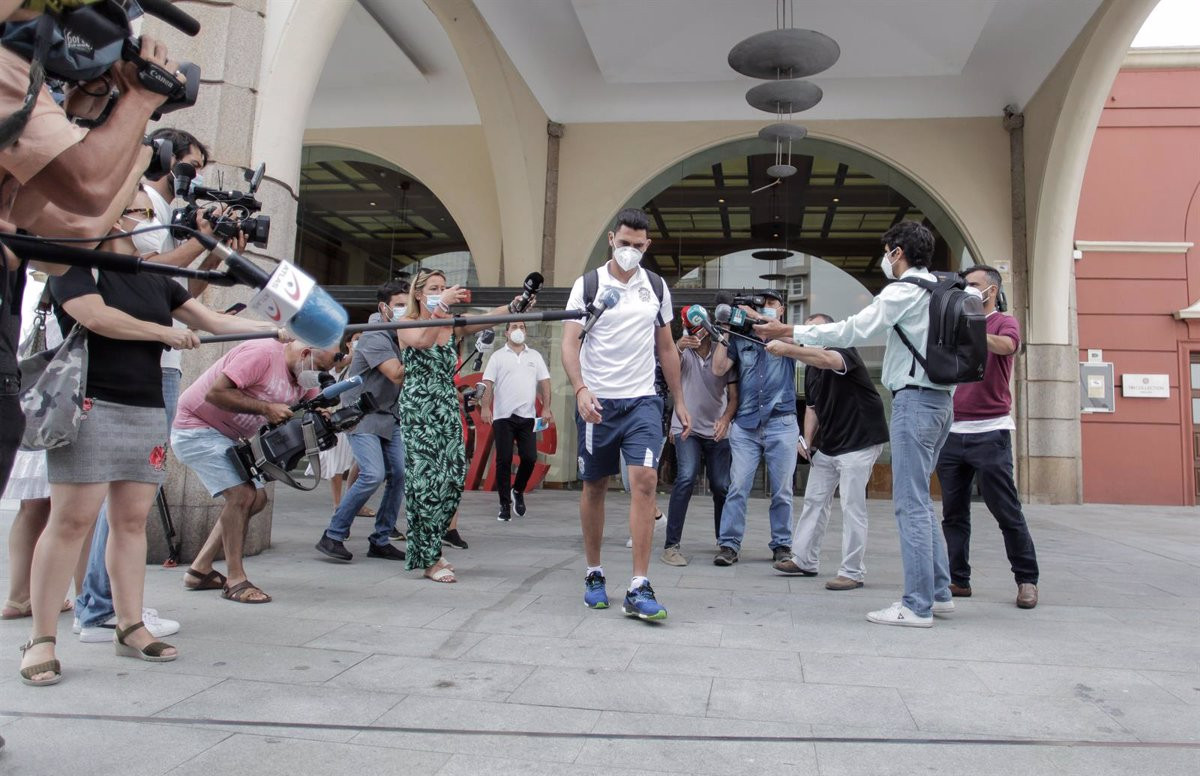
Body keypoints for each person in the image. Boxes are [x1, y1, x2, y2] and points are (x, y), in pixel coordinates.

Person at [17, 205, 282, 686]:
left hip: (144, 408)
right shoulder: (73, 266)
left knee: (131, 521)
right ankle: (41, 638)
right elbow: (95, 317)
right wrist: (164, 333)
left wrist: (278, 331)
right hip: (92, 404)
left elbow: (215, 322)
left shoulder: (156, 276)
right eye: (135, 209)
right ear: (112, 219)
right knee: (72, 520)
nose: (147, 217)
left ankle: (130, 625)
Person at [74, 128, 236, 642]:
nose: (194, 178)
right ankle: (100, 609)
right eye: (188, 165)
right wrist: (196, 242)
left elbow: (179, 293)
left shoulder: (168, 215)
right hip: (112, 377)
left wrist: (215, 255)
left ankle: (113, 610)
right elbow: (139, 273)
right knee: (97, 507)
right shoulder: (136, 204)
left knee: (128, 506)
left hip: (157, 368)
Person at [754, 220, 954, 628]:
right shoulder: (943, 289)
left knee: (911, 505)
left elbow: (853, 330)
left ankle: (917, 605)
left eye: (887, 251)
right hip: (941, 401)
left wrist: (790, 330)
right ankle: (940, 593)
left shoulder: (905, 291)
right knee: (922, 503)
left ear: (897, 252)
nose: (885, 258)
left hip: (914, 402)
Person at [562, 207, 690, 620]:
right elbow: (569, 343)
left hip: (642, 401)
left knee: (645, 480)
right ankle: (595, 573)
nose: (630, 251)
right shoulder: (588, 285)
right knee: (595, 485)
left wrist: (680, 401)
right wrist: (580, 388)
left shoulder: (655, 286)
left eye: (638, 246)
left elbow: (667, 348)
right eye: (623, 243)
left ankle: (639, 584)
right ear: (611, 240)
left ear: (647, 245)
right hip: (598, 401)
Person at [175, 338, 340, 602]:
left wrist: (327, 415)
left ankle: (199, 570)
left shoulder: (301, 374)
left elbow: (312, 405)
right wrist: (266, 408)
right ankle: (235, 580)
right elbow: (215, 393)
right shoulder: (261, 354)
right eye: (320, 367)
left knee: (257, 499)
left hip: (230, 438)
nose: (321, 375)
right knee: (241, 495)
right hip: (196, 427)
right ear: (306, 353)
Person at [397, 269, 524, 582]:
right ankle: (428, 558)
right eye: (434, 288)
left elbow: (489, 317)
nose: (441, 292)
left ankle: (433, 545)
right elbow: (423, 341)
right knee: (425, 482)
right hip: (419, 407)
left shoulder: (451, 325)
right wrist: (442, 307)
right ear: (418, 293)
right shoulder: (406, 322)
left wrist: (515, 306)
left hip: (445, 405)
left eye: (443, 287)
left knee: (453, 476)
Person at [937, 265, 1040, 609]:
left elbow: (1007, 346)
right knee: (953, 513)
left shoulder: (1003, 322)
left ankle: (1027, 580)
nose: (967, 289)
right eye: (963, 285)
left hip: (990, 431)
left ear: (991, 290)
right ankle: (957, 579)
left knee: (1005, 509)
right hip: (952, 432)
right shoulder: (953, 322)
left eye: (973, 285)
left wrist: (969, 326)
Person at [768, 314, 890, 590]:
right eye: (807, 331)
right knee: (814, 499)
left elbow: (827, 360)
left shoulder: (843, 350)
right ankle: (804, 559)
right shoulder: (811, 369)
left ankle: (852, 571)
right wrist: (807, 441)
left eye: (816, 330)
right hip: (830, 444)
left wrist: (787, 348)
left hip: (860, 441)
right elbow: (812, 407)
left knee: (851, 505)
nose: (810, 335)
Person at [316, 281, 410, 564]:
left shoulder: (402, 335)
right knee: (372, 474)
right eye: (400, 305)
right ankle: (333, 534)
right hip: (362, 415)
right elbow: (396, 374)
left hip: (390, 417)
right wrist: (424, 349)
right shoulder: (374, 335)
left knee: (400, 474)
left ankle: (380, 539)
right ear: (384, 308)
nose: (406, 311)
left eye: (409, 304)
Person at [710, 289, 798, 567]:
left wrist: (760, 318)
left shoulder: (786, 335)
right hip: (746, 425)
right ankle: (729, 544)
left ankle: (782, 544)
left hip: (781, 422)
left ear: (781, 310)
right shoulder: (740, 337)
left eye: (772, 304)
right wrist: (726, 326)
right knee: (738, 486)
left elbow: (800, 344)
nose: (766, 307)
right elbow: (718, 368)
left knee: (782, 490)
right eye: (761, 303)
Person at [660, 318, 737, 566]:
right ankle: (671, 545)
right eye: (690, 329)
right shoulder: (682, 352)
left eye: (700, 328)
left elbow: (734, 396)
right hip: (686, 427)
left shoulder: (722, 351)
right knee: (686, 477)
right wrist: (679, 346)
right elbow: (665, 370)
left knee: (721, 485)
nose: (696, 334)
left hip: (716, 429)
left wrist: (726, 418)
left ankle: (725, 543)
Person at [480, 321, 552, 521]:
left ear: (526, 332)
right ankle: (504, 504)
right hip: (503, 417)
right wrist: (485, 407)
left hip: (527, 416)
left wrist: (546, 408)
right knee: (503, 460)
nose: (518, 330)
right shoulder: (497, 357)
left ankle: (518, 490)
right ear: (506, 333)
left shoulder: (535, 356)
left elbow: (545, 382)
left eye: (521, 327)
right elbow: (487, 383)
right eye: (513, 327)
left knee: (529, 457)